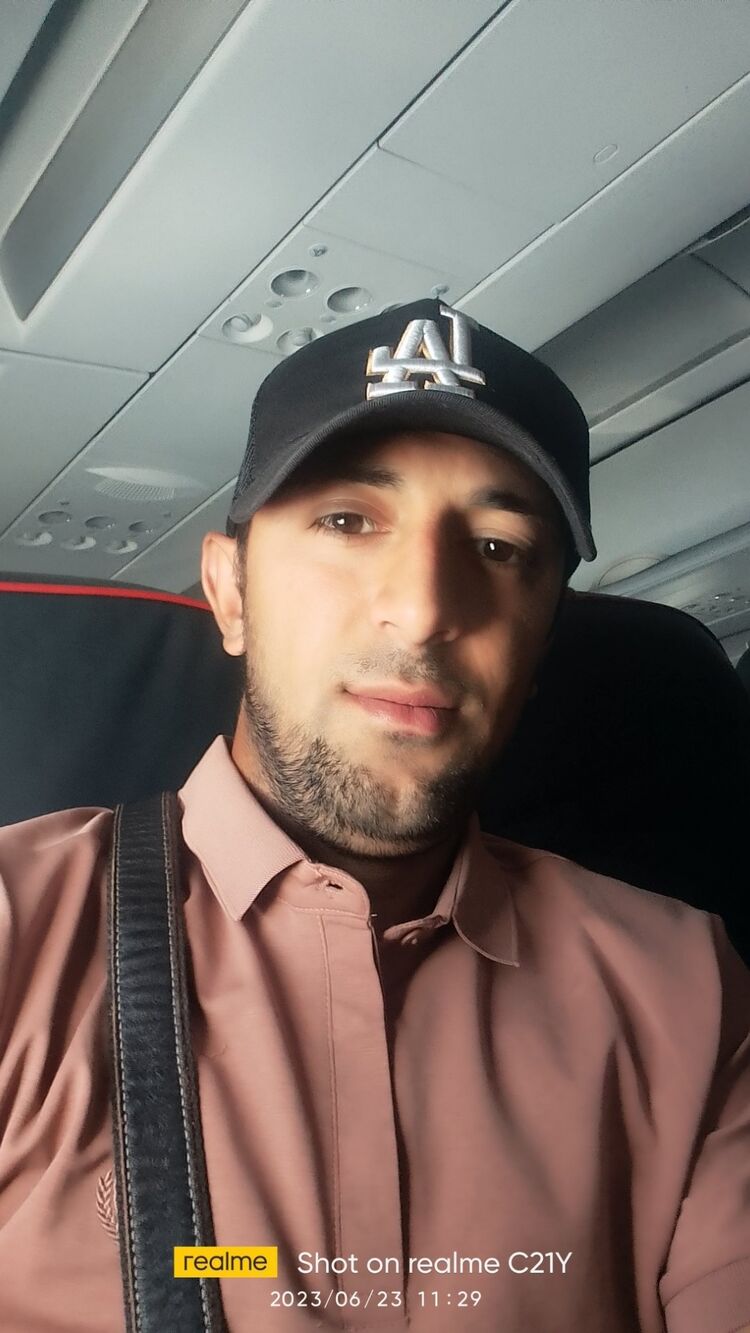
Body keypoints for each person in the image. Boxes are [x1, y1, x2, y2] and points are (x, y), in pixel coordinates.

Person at [0, 299, 748, 1333]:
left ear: (539, 646)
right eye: (348, 521)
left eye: (498, 546)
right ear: (231, 593)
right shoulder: (18, 932)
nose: (426, 608)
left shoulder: (689, 991)